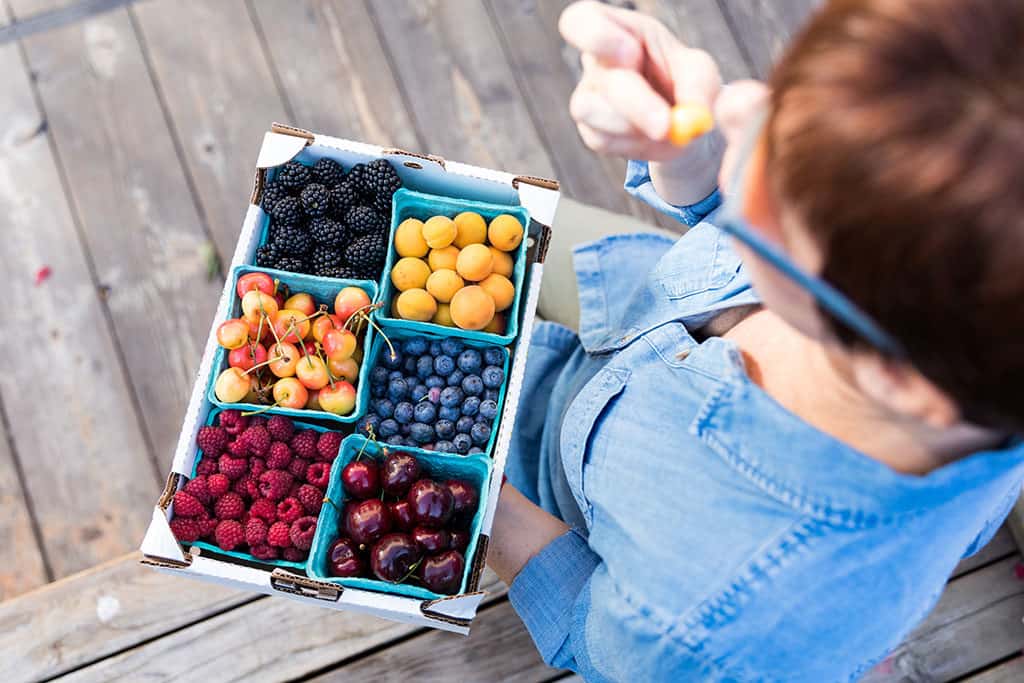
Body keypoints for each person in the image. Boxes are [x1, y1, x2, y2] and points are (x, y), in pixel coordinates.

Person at [485, 0, 1024, 680]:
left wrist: (489, 505)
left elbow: (593, 631)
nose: (734, 103)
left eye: (772, 172)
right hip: (625, 301)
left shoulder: (701, 624)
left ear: (897, 375)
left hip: (552, 484)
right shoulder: (958, 340)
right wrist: (693, 159)